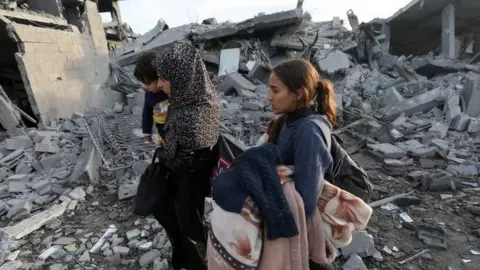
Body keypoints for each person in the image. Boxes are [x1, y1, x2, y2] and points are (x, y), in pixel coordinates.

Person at [152, 43, 221, 270]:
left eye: (164, 79)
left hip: (186, 181)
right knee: (193, 221)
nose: (160, 85)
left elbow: (176, 158)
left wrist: (160, 151)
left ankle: (197, 264)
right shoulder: (204, 98)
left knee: (189, 227)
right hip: (198, 178)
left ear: (181, 77)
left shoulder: (187, 114)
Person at [265, 58, 337, 270]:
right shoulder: (286, 121)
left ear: (298, 94)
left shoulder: (309, 131)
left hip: (303, 226)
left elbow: (306, 199)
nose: (269, 96)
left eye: (275, 90)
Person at [133, 51, 169, 145]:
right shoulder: (149, 95)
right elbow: (147, 113)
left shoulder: (170, 92)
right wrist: (146, 132)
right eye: (143, 83)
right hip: (160, 130)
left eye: (148, 83)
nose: (146, 87)